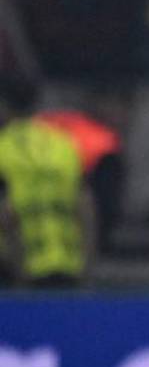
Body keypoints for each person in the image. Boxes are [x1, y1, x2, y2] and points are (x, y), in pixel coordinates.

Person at [0, 75, 91, 288]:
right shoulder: (63, 143)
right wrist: (88, 266)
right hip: (67, 261)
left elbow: (6, 213)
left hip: (16, 268)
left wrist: (18, 269)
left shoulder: (3, 147)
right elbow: (86, 207)